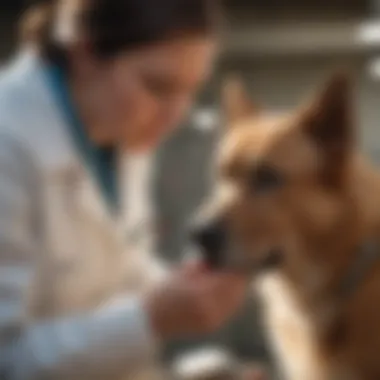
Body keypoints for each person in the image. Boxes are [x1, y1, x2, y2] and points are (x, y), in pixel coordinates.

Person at [0, 1, 249, 379]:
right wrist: (150, 320)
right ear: (85, 53)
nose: (176, 115)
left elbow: (119, 264)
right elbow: (8, 358)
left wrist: (178, 287)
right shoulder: (10, 142)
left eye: (190, 90)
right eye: (158, 86)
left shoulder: (117, 127)